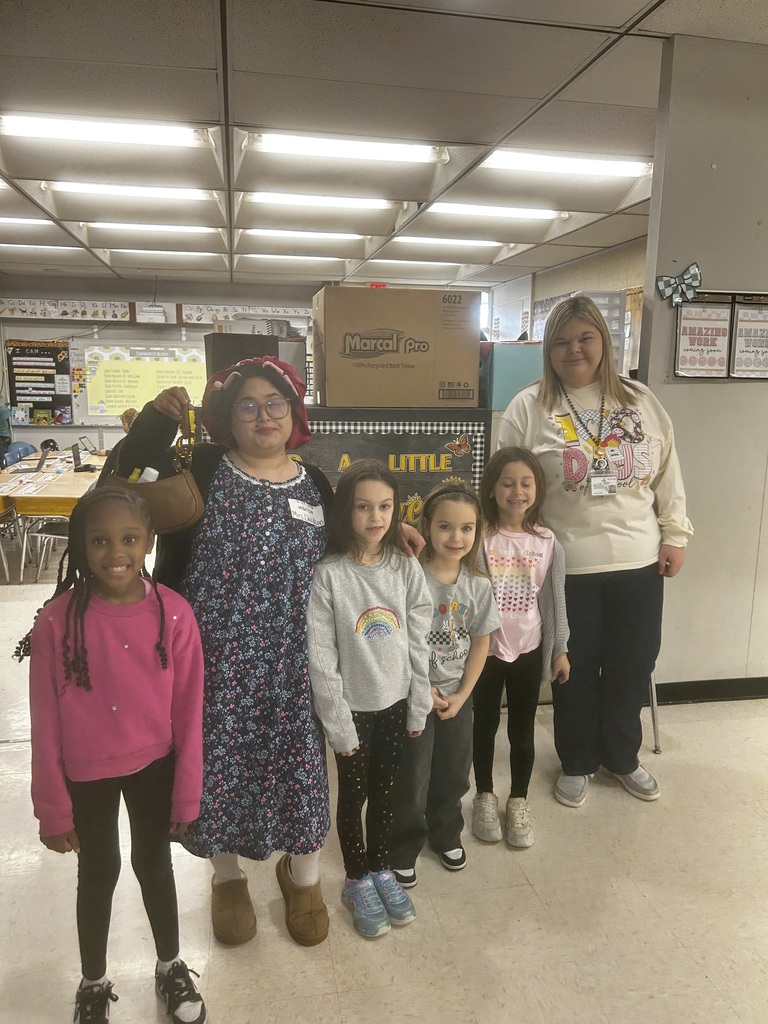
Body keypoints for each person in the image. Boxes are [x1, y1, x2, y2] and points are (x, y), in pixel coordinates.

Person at [115, 356, 335, 949]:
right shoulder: (201, 468)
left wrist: (397, 538)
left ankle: (305, 878)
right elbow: (123, 481)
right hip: (213, 663)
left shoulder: (317, 484)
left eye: (275, 403)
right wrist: (155, 424)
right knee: (215, 770)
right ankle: (228, 878)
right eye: (247, 406)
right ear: (226, 418)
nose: (264, 416)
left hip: (297, 663)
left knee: (300, 771)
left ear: (294, 413)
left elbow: (348, 554)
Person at [16, 488, 206, 1024]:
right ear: (79, 544)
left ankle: (170, 966)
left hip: (156, 768)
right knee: (98, 873)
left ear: (149, 541)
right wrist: (52, 809)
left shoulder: (175, 613)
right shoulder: (57, 621)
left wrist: (187, 793)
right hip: (86, 775)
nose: (116, 552)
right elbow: (44, 721)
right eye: (99, 540)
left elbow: (189, 711)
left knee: (155, 865)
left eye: (129, 538)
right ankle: (93, 981)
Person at [497, 295, 693, 808]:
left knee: (634, 663)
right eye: (561, 341)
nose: (574, 350)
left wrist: (675, 534)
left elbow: (668, 471)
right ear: (548, 349)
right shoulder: (528, 406)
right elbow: (505, 484)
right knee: (572, 668)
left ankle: (622, 757)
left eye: (585, 338)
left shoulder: (640, 399)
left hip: (639, 558)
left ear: (604, 341)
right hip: (565, 564)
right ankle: (578, 759)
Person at [307, 459, 433, 939]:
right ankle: (357, 878)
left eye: (385, 506)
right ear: (346, 510)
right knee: (353, 795)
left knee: (386, 792)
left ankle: (381, 869)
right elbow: (321, 657)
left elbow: (418, 639)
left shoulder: (405, 567)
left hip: (397, 704)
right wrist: (338, 725)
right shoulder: (329, 575)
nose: (375, 517)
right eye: (363, 507)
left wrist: (418, 703)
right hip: (352, 712)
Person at [389, 480, 500, 887]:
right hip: (413, 693)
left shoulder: (478, 585)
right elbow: (398, 638)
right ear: (427, 528)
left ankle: (446, 833)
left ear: (478, 531)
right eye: (445, 526)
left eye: (467, 528)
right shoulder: (410, 576)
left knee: (454, 771)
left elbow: (481, 641)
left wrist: (462, 695)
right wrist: (422, 689)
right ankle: (403, 846)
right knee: (412, 775)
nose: (456, 537)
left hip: (457, 697)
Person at [472, 448, 570, 848]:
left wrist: (560, 648)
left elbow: (555, 600)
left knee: (522, 730)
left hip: (529, 650)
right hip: (485, 653)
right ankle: (484, 794)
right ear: (491, 489)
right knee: (484, 726)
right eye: (507, 483)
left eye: (526, 483)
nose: (517, 491)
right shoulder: (478, 536)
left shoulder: (547, 541)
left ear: (537, 488)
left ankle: (518, 799)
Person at [0, 396, 11, 467]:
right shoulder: (4, 409)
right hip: (5, 436)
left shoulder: (3, 410)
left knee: (2, 460)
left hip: (3, 437)